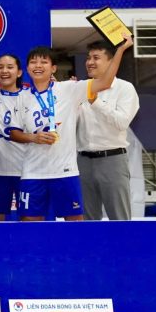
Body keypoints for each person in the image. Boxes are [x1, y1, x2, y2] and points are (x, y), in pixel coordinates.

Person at [10, 35, 134, 221]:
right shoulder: (21, 96)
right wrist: (33, 137)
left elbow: (105, 82)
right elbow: (14, 133)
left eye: (44, 62)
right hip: (33, 171)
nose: (38, 66)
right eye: (33, 62)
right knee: (30, 224)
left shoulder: (69, 89)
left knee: (76, 224)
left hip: (66, 171)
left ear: (53, 68)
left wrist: (120, 51)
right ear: (27, 68)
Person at [76, 40, 140, 220]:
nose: (90, 62)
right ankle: (90, 249)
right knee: (87, 220)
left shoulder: (125, 88)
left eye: (96, 58)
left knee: (119, 218)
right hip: (82, 161)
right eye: (88, 58)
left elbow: (122, 122)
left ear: (112, 62)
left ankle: (123, 249)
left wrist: (95, 102)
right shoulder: (81, 88)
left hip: (112, 160)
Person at [0, 53, 25, 220]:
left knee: (29, 218)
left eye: (10, 67)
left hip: (26, 169)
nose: (4, 71)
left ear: (19, 72)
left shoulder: (30, 96)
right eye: (0, 67)